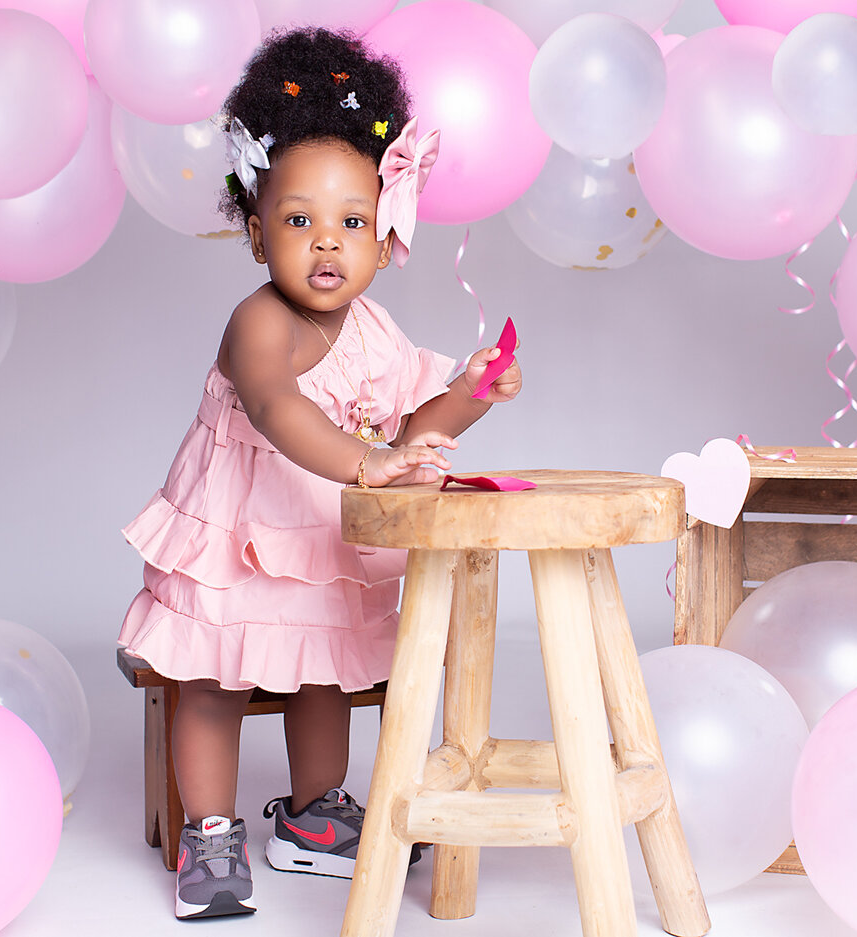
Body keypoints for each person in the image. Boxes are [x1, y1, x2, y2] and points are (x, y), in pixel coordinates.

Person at [117, 27, 522, 920]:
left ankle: (312, 815)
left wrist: (471, 394)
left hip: (322, 535)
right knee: (215, 680)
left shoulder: (374, 331)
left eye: (351, 221)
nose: (326, 243)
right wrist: (366, 462)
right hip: (239, 537)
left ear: (384, 236)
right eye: (299, 221)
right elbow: (278, 408)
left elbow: (411, 429)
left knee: (324, 670)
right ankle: (212, 831)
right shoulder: (258, 323)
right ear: (258, 234)